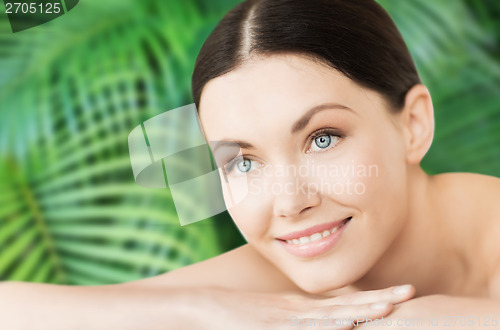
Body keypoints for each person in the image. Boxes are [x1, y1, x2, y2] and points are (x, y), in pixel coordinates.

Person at [1, 0, 499, 329]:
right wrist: (201, 308)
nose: (288, 201)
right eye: (242, 162)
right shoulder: (297, 266)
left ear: (413, 124)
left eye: (322, 139)